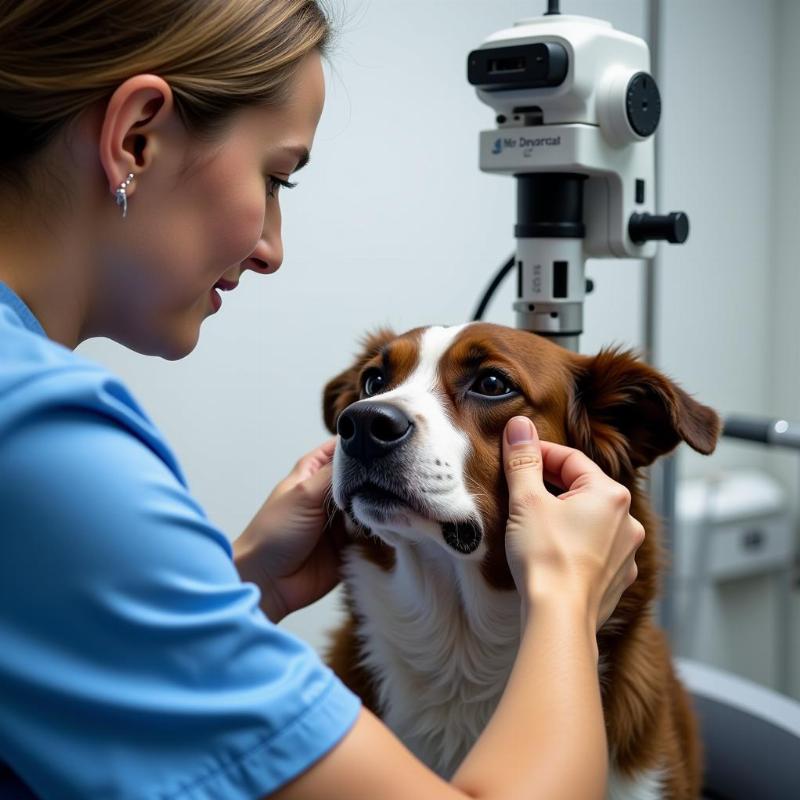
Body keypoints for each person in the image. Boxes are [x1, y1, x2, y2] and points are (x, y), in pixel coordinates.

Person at [0, 1, 645, 798]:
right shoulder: (38, 435)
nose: (272, 248)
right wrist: (567, 597)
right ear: (136, 136)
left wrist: (249, 587)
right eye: (274, 177)